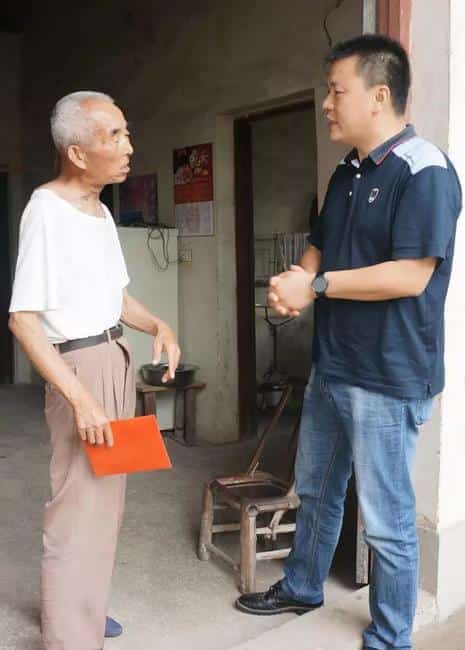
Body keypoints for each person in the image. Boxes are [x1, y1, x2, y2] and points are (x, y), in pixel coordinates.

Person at [235, 35, 462, 650]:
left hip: (388, 374)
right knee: (316, 488)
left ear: (379, 95)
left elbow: (411, 274)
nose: (328, 104)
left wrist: (316, 285)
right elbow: (321, 244)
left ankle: (390, 637)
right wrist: (295, 282)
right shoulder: (347, 171)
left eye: (337, 92)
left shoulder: (425, 170)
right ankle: (303, 585)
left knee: (386, 520)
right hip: (334, 365)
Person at [9, 91, 181, 650]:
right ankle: (69, 637)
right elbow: (23, 321)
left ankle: (86, 608)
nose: (128, 147)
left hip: (114, 356)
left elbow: (117, 296)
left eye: (126, 133)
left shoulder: (101, 212)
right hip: (78, 367)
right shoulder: (46, 210)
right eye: (115, 136)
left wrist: (157, 325)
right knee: (75, 508)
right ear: (78, 153)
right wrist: (81, 399)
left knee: (106, 501)